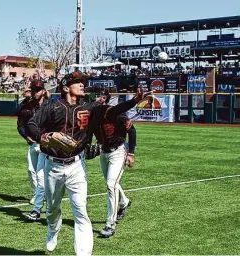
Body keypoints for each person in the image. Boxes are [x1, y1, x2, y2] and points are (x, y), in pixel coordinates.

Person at [25, 71, 149, 255]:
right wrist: (41, 136)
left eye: (82, 81)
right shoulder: (51, 106)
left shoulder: (91, 108)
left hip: (76, 166)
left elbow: (112, 111)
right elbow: (31, 124)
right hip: (53, 166)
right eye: (77, 82)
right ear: (66, 87)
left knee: (80, 211)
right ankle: (53, 230)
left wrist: (133, 101)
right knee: (52, 210)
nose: (82, 84)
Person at [86, 90, 137, 238]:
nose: (96, 99)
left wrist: (131, 153)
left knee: (111, 184)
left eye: (99, 96)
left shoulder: (114, 112)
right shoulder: (91, 115)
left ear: (104, 99)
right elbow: (88, 135)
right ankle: (124, 202)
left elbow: (132, 131)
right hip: (104, 152)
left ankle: (110, 224)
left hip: (118, 152)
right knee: (112, 183)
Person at [17, 81, 49, 207]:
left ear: (43, 91)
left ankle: (43, 194)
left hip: (47, 143)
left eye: (38, 89)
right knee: (31, 170)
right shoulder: (26, 107)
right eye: (33, 90)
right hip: (33, 143)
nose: (35, 92)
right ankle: (37, 193)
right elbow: (20, 126)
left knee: (43, 172)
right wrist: (26, 136)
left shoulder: (50, 106)